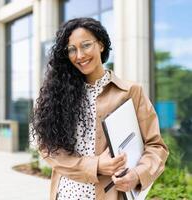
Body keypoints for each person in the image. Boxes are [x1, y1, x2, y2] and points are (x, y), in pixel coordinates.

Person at [31, 17, 169, 200]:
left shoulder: (130, 92)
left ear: (101, 45)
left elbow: (156, 146)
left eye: (86, 45)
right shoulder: (58, 95)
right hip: (65, 194)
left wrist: (137, 175)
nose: (79, 55)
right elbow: (48, 148)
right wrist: (95, 165)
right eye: (72, 49)